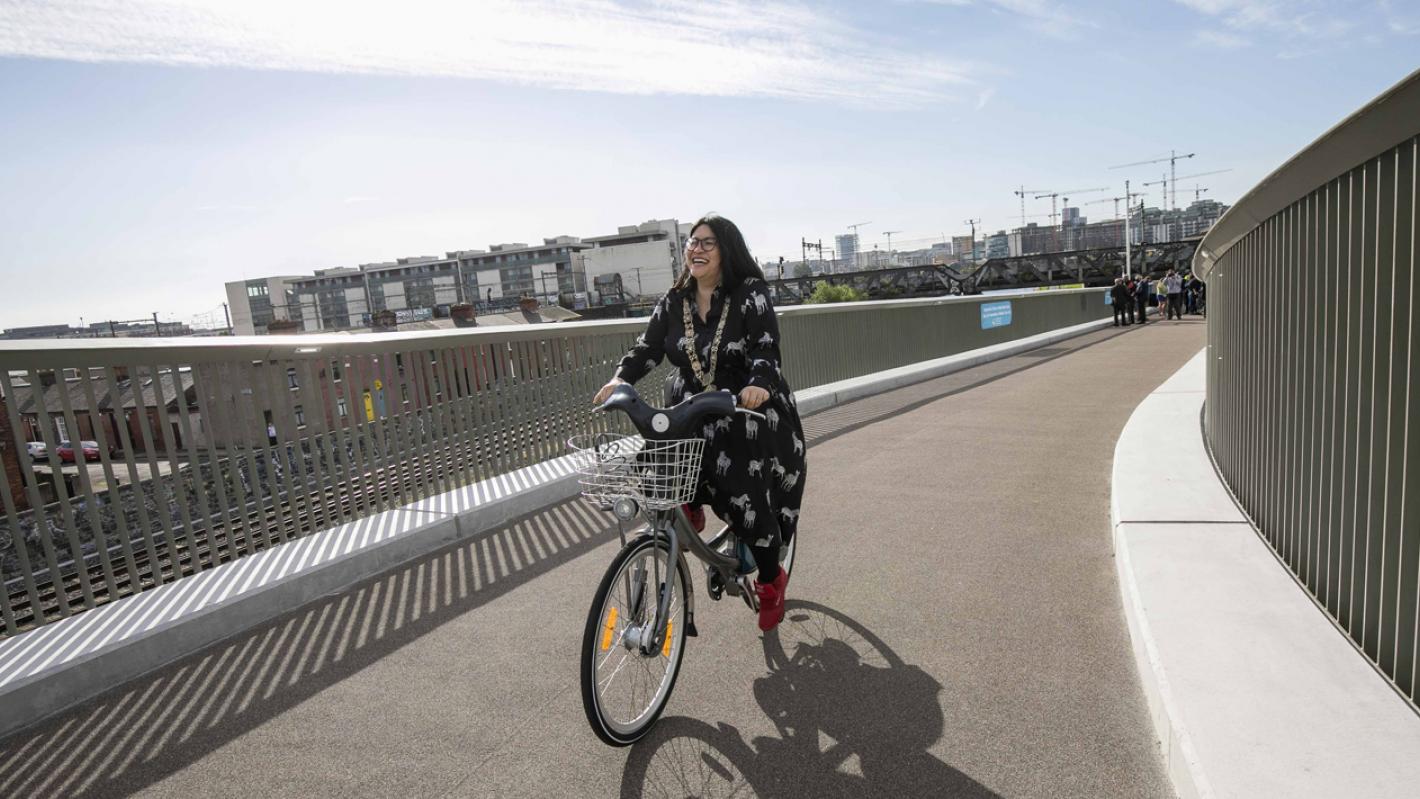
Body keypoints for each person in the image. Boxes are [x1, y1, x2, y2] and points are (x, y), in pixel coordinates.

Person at [594, 214, 806, 632]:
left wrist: (760, 382)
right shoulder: (674, 301)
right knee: (662, 455)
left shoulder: (751, 294)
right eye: (693, 242)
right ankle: (688, 507)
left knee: (748, 491)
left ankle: (769, 578)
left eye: (707, 243)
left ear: (727, 250)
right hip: (691, 404)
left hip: (743, 406)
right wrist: (621, 378)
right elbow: (648, 349)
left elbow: (766, 347)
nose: (697, 249)